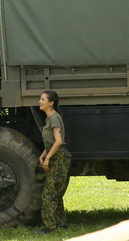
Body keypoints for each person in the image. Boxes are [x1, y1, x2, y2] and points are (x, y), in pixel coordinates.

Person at [38, 90, 71, 233]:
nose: (40, 101)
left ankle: (49, 227)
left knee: (48, 194)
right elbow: (51, 142)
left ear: (51, 103)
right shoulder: (50, 119)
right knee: (55, 192)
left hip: (59, 158)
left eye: (43, 99)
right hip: (55, 156)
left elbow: (59, 141)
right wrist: (43, 155)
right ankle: (61, 223)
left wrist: (48, 158)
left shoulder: (54, 118)